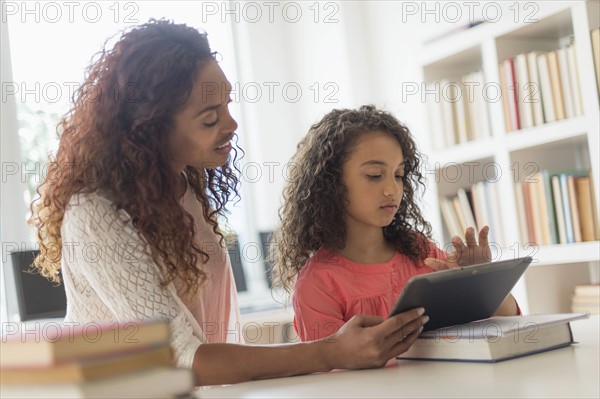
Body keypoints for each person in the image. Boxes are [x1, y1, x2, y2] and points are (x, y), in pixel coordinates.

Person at [29, 20, 429, 386]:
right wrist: (333, 351)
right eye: (209, 118)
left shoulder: (181, 184)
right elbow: (182, 358)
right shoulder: (94, 213)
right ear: (150, 127)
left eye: (227, 106)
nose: (231, 124)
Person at [271, 105, 520, 342]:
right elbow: (332, 374)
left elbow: (508, 320)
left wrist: (480, 281)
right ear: (330, 183)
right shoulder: (319, 284)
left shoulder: (422, 253)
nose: (392, 189)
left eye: (399, 175)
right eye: (374, 176)